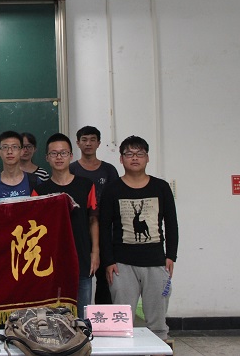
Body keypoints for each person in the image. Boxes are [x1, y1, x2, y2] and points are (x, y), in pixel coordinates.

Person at [99, 135, 178, 342]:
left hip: (156, 261)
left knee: (158, 321)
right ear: (121, 159)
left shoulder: (161, 187)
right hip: (122, 264)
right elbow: (104, 228)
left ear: (147, 158)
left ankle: (158, 348)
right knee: (122, 321)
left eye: (140, 153)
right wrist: (108, 261)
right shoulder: (112, 189)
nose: (134, 158)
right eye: (129, 154)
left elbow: (171, 223)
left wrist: (171, 255)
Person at [34, 133, 98, 318]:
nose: (59, 157)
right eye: (54, 153)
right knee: (52, 317)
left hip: (81, 257)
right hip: (50, 262)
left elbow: (93, 220)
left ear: (71, 155)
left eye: (63, 153)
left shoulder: (86, 185)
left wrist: (95, 252)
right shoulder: (40, 191)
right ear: (47, 158)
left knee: (82, 316)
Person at [69, 125, 120, 305]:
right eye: (84, 140)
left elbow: (116, 200)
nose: (88, 143)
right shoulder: (71, 169)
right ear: (77, 143)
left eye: (92, 140)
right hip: (81, 232)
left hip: (106, 232)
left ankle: (100, 318)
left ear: (99, 143)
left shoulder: (109, 170)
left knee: (106, 280)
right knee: (80, 280)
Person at [0, 131, 41, 202]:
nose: (9, 152)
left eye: (14, 147)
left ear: (22, 151)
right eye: (5, 147)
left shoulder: (34, 181)